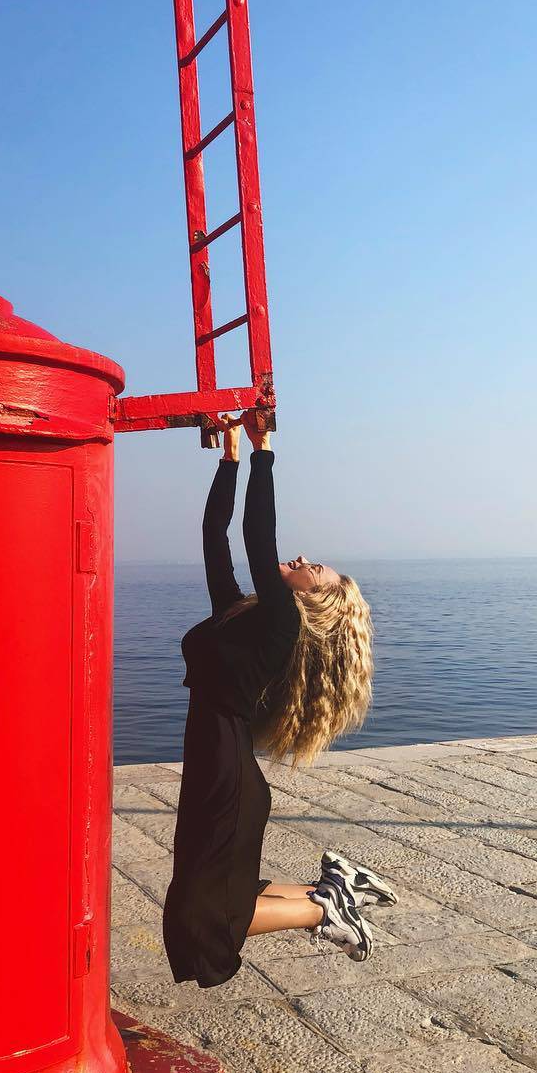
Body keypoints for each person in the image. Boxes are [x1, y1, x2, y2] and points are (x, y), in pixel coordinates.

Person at [161, 410, 390, 989]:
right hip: (217, 770)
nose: (304, 560)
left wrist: (264, 452)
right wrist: (230, 459)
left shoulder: (281, 625)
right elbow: (216, 535)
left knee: (205, 915)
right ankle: (334, 888)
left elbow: (257, 539)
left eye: (315, 570)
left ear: (317, 600)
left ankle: (324, 909)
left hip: (226, 779)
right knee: (212, 892)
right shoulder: (242, 614)